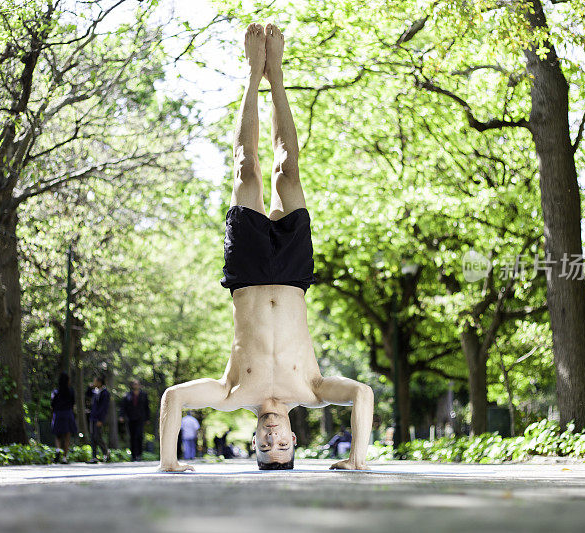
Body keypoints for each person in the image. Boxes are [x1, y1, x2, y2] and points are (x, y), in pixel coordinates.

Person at [158, 23, 374, 473]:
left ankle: (253, 76)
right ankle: (276, 77)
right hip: (294, 276)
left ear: (255, 439)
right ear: (294, 439)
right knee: (287, 172)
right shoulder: (311, 390)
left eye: (263, 447)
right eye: (282, 447)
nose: (272, 439)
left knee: (247, 171)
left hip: (248, 273)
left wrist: (169, 464)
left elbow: (173, 397)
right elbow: (362, 394)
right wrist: (357, 460)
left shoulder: (232, 393)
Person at [119, 379, 151, 461]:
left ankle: (139, 454)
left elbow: (147, 407)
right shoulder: (128, 395)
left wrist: (147, 418)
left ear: (139, 385)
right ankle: (133, 455)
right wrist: (121, 416)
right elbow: (123, 407)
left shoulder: (144, 395)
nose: (135, 386)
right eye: (134, 384)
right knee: (132, 436)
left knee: (139, 435)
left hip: (140, 418)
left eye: (137, 384)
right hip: (131, 418)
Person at [50, 372, 77, 464]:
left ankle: (58, 449)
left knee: (58, 435)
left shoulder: (55, 391)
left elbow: (52, 404)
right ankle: (64, 457)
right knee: (67, 436)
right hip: (68, 413)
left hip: (58, 413)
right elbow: (73, 403)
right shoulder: (71, 391)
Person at [87, 375, 111, 463]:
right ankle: (94, 457)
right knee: (92, 437)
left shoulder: (105, 393)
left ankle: (106, 451)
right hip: (92, 416)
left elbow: (104, 408)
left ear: (100, 382)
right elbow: (88, 395)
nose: (94, 383)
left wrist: (101, 419)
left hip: (99, 418)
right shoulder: (95, 391)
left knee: (97, 436)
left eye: (95, 381)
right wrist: (89, 387)